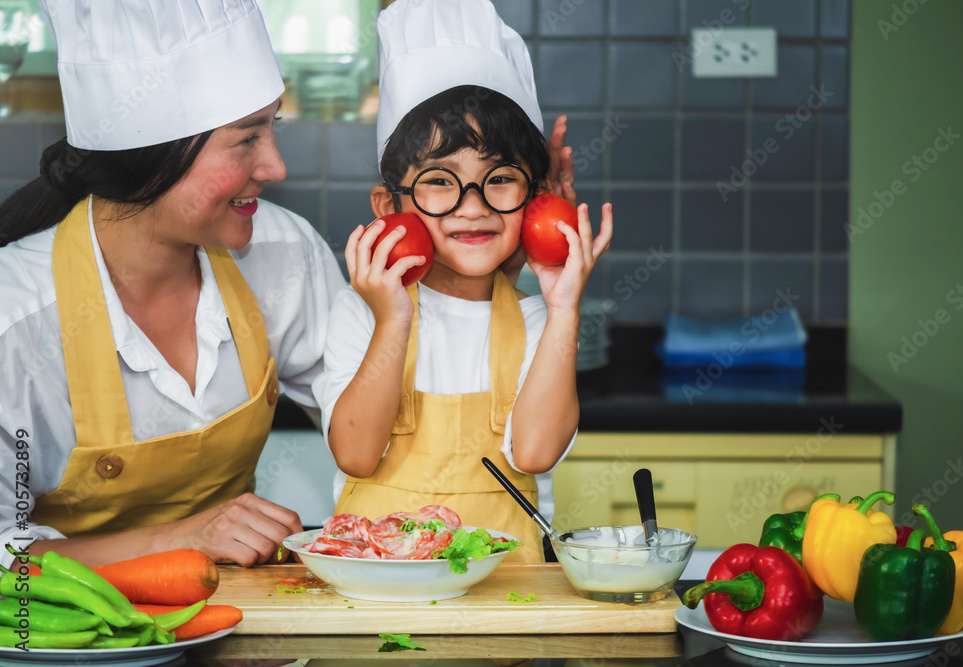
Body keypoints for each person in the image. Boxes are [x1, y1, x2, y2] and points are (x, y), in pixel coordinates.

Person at [0, 0, 350, 568]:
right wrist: (178, 540)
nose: (275, 167)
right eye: (246, 138)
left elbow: (373, 426)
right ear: (151, 158)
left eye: (273, 126)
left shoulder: (285, 254)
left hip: (237, 636)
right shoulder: (15, 319)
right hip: (56, 644)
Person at [314, 0, 612, 562]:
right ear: (390, 206)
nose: (472, 208)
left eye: (499, 179)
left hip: (507, 605)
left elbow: (536, 452)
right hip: (377, 600)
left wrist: (566, 306)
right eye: (438, 182)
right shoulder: (361, 311)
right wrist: (392, 318)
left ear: (534, 195)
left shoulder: (536, 319)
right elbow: (355, 454)